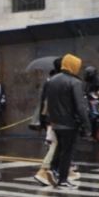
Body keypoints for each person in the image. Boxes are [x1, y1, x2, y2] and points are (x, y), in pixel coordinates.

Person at [44, 55, 89, 189]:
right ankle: (63, 179)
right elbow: (80, 106)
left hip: (55, 121)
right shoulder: (75, 82)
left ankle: (53, 170)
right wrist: (87, 125)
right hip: (69, 122)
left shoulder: (52, 80)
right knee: (67, 151)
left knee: (60, 148)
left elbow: (48, 102)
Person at [32, 59, 62, 187]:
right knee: (55, 145)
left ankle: (64, 171)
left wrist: (43, 118)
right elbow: (47, 102)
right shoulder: (55, 83)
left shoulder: (51, 82)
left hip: (51, 118)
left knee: (57, 145)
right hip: (56, 119)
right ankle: (43, 171)